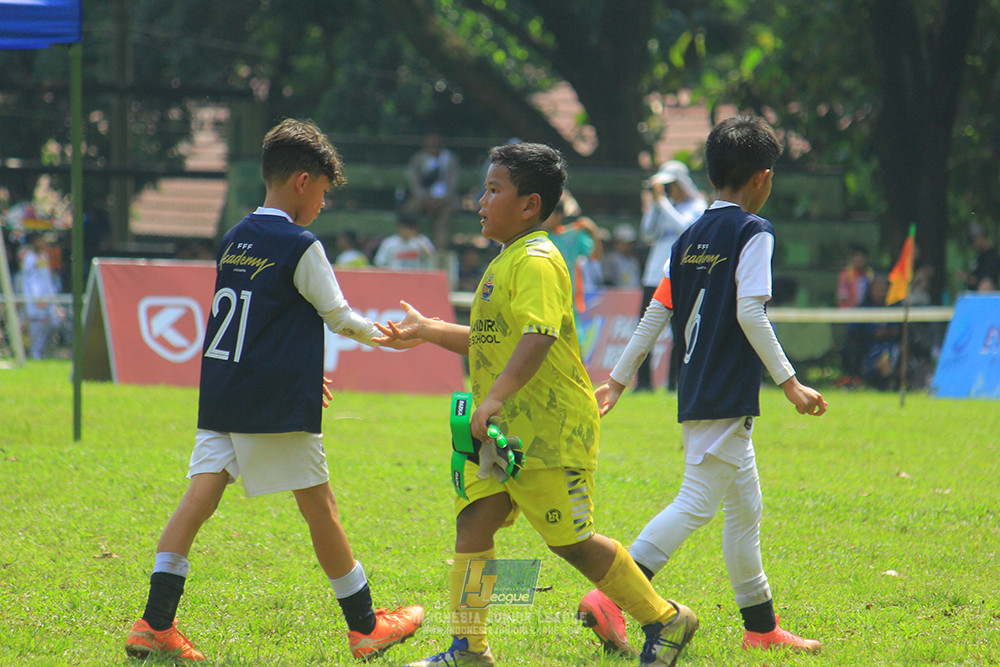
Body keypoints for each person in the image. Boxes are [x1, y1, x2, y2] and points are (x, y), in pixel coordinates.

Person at [377, 142, 698, 667]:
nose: (480, 200)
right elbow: (493, 338)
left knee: (571, 544)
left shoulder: (538, 260)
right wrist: (431, 330)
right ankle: (469, 651)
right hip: (503, 433)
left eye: (493, 189)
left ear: (529, 205)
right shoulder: (507, 260)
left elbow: (539, 336)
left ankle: (665, 618)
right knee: (474, 522)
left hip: (548, 433)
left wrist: (496, 396)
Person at [124, 119, 424, 663]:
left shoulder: (235, 237)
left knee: (198, 500)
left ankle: (154, 623)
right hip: (271, 407)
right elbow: (337, 316)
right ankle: (365, 627)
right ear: (303, 182)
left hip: (224, 391)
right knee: (321, 507)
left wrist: (300, 371)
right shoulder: (299, 243)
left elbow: (259, 322)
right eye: (325, 194)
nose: (324, 206)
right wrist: (390, 338)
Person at [580, 115, 827, 658]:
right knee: (696, 503)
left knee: (745, 509)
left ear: (713, 173)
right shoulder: (754, 232)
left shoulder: (686, 238)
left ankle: (761, 628)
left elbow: (654, 313)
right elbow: (751, 313)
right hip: (726, 392)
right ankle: (611, 596)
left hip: (696, 389)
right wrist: (790, 383)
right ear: (762, 177)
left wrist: (618, 382)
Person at [635, 160, 707, 391]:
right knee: (645, 331)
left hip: (680, 275)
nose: (669, 190)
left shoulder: (697, 204)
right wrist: (656, 204)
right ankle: (643, 383)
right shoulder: (664, 205)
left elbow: (685, 229)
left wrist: (662, 202)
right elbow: (647, 233)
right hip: (653, 275)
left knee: (680, 331)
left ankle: (675, 383)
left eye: (671, 185)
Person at [541, 193, 604, 324]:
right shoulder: (533, 237)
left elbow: (596, 256)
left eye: (548, 213)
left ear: (559, 215)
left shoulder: (572, 237)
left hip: (568, 303)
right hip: (541, 299)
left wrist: (593, 232)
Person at [402, 132, 461, 250]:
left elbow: (454, 183)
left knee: (444, 219)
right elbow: (414, 184)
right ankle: (410, 243)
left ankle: (439, 250)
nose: (432, 148)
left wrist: (442, 199)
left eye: (435, 145)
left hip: (446, 199)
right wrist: (427, 199)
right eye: (430, 145)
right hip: (423, 198)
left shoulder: (450, 159)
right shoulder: (418, 159)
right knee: (409, 210)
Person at [19, 232, 61, 360]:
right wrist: (37, 297)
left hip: (47, 296)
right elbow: (30, 280)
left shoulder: (44, 256)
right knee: (36, 326)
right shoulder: (29, 258)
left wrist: (52, 295)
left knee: (54, 322)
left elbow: (47, 278)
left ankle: (45, 350)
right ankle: (35, 353)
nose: (42, 243)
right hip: (35, 299)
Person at [602, 223, 642, 288]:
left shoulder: (633, 260)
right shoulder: (610, 259)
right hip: (616, 295)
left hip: (634, 294)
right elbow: (607, 281)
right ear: (618, 242)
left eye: (631, 243)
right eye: (626, 243)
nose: (629, 246)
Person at [963, 223, 1000, 292]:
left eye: (973, 241)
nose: (973, 245)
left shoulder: (992, 257)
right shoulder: (980, 257)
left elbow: (986, 281)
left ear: (981, 237)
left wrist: (967, 278)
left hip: (984, 299)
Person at [836, 244, 872, 308]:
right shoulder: (846, 275)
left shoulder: (871, 274)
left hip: (867, 309)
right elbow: (842, 297)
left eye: (861, 258)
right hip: (850, 310)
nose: (859, 260)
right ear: (852, 259)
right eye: (856, 257)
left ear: (866, 259)